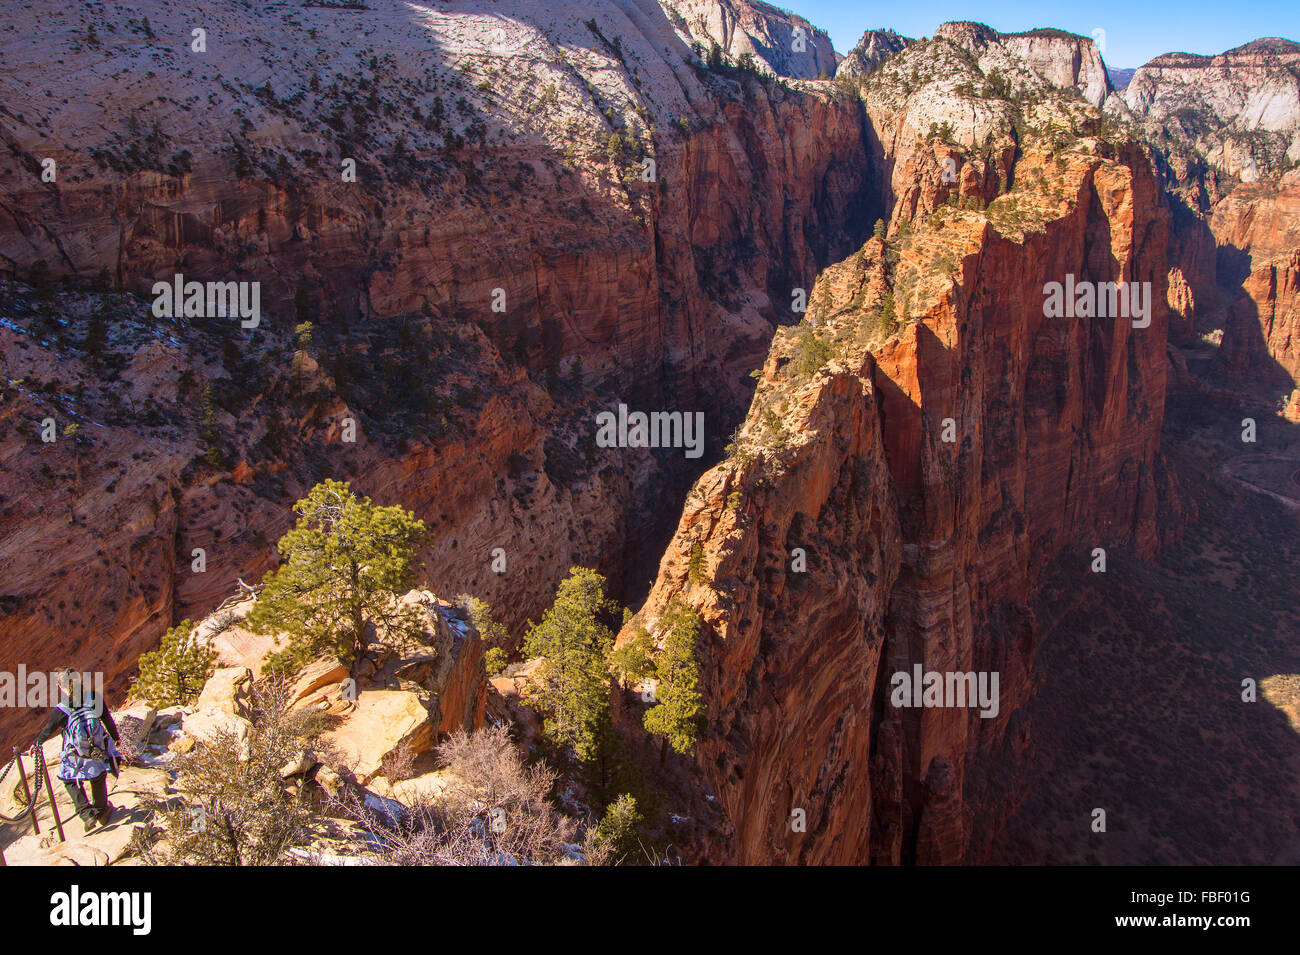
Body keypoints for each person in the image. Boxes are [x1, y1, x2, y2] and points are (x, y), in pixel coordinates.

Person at [34, 669, 120, 831]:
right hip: (97, 748)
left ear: (60, 686)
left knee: (68, 779)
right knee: (98, 775)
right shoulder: (93, 697)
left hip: (76, 753)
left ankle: (86, 814)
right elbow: (106, 718)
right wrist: (115, 738)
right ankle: (101, 811)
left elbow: (48, 729)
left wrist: (37, 743)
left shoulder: (62, 709)